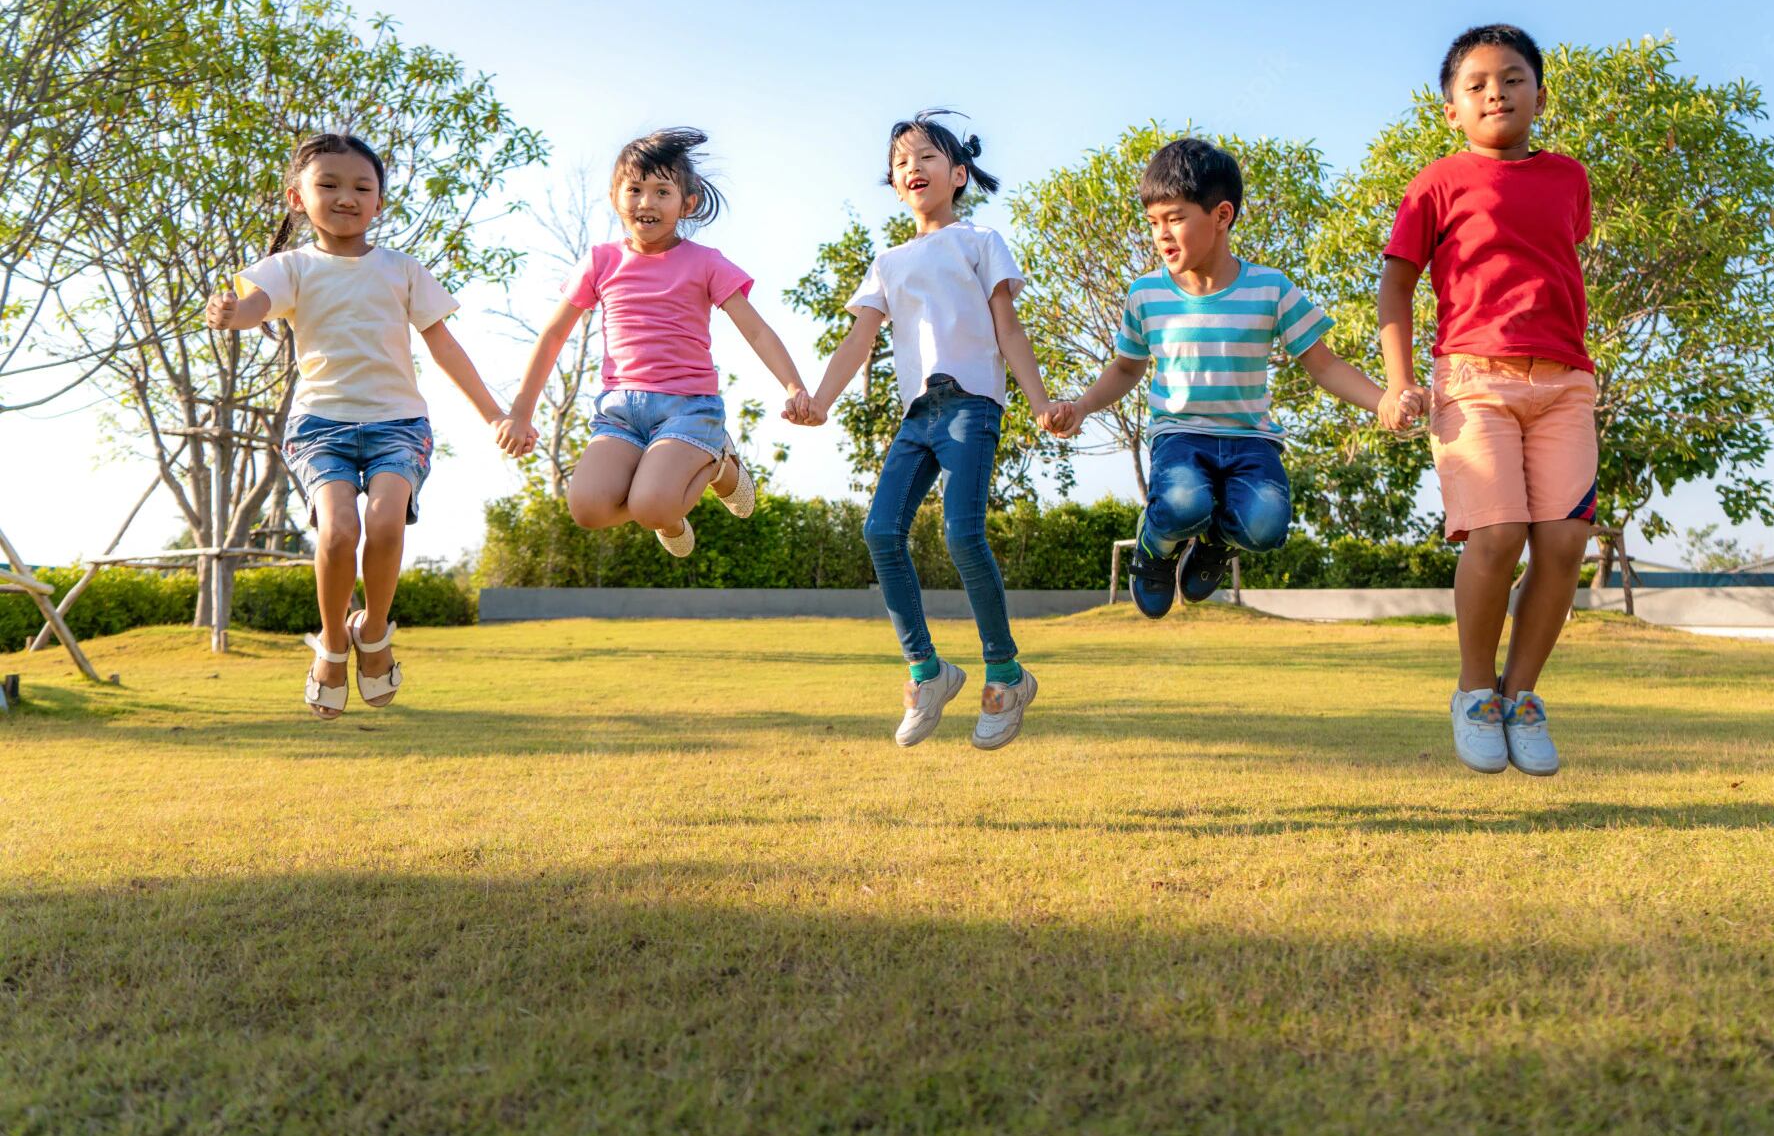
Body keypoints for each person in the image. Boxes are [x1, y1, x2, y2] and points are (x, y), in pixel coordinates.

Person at [204, 133, 532, 720]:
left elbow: (445, 347)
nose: (346, 197)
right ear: (297, 198)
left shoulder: (402, 269)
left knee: (384, 523)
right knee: (336, 532)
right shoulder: (290, 267)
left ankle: (373, 633)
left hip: (398, 423)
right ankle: (332, 644)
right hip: (320, 426)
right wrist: (234, 314)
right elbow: (255, 308)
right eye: (328, 184)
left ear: (379, 202)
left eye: (362, 187)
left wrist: (495, 414)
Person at [1049, 137, 1417, 617]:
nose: (1161, 235)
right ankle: (1155, 546)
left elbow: (1324, 364)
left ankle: (1216, 545)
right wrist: (1080, 405)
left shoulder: (1270, 288)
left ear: (1222, 215)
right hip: (1180, 434)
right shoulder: (1146, 295)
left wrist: (1385, 399)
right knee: (1183, 503)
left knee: (1265, 527)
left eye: (1175, 218)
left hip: (1250, 440)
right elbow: (1126, 367)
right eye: (1153, 223)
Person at [795, 110, 1059, 751]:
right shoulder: (887, 262)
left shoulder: (979, 241)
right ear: (892, 183)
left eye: (926, 157)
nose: (912, 168)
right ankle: (927, 671)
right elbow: (859, 339)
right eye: (900, 163)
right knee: (881, 531)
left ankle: (1004, 675)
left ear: (959, 173)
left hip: (971, 405)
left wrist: (1042, 401)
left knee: (962, 533)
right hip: (918, 415)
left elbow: (1009, 329)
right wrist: (820, 400)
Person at [1377, 24, 1597, 777]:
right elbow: (1397, 285)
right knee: (1497, 537)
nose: (1494, 92)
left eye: (1511, 77)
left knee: (1565, 543)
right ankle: (1474, 691)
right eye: (1475, 85)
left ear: (1538, 91)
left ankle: (1521, 696)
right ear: (1451, 110)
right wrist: (1398, 379)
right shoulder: (1437, 182)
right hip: (1472, 380)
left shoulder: (1571, 179)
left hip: (1565, 381)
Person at [503, 129, 813, 556]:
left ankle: (718, 462)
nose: (646, 202)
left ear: (687, 203)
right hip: (620, 412)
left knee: (651, 506)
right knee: (587, 508)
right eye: (634, 189)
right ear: (615, 197)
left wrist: (793, 385)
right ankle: (666, 506)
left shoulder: (706, 263)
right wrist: (521, 412)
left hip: (687, 408)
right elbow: (555, 334)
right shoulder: (600, 261)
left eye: (661, 191)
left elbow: (756, 330)